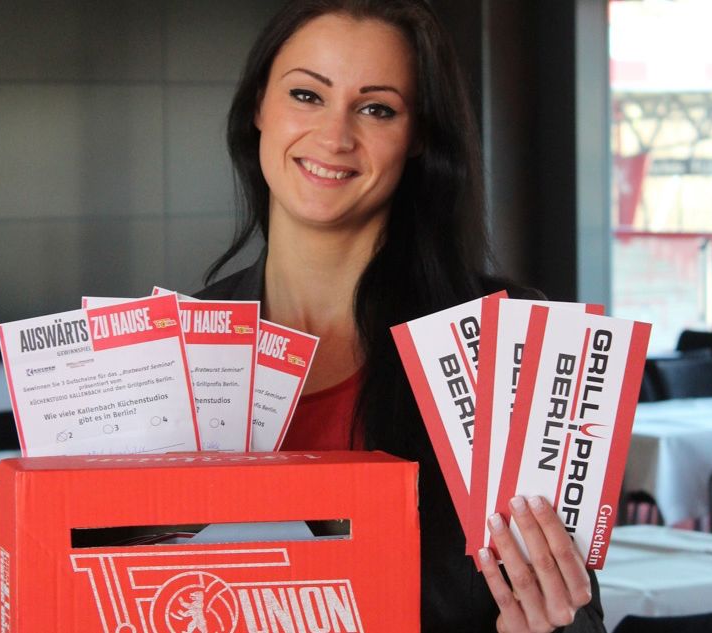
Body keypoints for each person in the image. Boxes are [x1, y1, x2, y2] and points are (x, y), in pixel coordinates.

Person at [196, 1, 606, 631]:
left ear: (418, 137)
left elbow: (576, 613)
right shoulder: (177, 348)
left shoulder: (505, 343)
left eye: (377, 109)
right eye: (307, 95)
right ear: (258, 107)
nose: (335, 136)